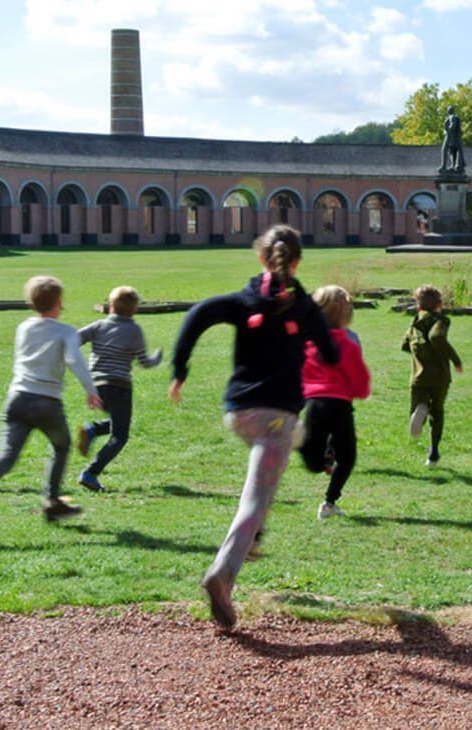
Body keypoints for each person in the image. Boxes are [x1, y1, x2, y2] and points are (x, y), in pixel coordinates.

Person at [168, 224, 338, 631]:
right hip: (278, 417)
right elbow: (330, 356)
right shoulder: (306, 308)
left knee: (263, 484)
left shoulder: (245, 300)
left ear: (261, 257)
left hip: (240, 413)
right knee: (256, 498)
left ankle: (254, 539)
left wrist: (180, 371)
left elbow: (198, 315)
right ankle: (222, 575)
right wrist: (317, 336)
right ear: (297, 262)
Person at [0, 276, 103, 527]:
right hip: (47, 402)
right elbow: (74, 360)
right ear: (58, 302)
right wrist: (90, 389)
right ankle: (52, 502)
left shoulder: (23, 327)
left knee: (6, 456)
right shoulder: (66, 331)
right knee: (61, 446)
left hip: (17, 399)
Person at [74, 286, 162, 493]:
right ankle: (90, 473)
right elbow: (144, 361)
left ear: (110, 307)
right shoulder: (134, 330)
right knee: (120, 435)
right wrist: (156, 358)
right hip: (120, 385)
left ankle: (93, 429)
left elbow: (74, 339)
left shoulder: (98, 325)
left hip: (97, 385)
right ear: (134, 310)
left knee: (118, 421)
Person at [298, 285, 371, 519]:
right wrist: (360, 391)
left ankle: (296, 440)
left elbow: (298, 372)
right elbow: (359, 379)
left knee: (314, 463)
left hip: (314, 405)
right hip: (339, 407)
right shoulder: (347, 344)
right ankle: (329, 502)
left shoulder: (307, 342)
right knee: (347, 458)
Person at [402, 284, 462, 466]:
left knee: (417, 406)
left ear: (418, 306)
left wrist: (419, 352)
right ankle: (433, 453)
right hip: (440, 377)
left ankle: (419, 410)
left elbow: (404, 345)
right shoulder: (440, 320)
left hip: (418, 376)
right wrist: (455, 359)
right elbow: (437, 337)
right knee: (437, 412)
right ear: (439, 305)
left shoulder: (414, 322)